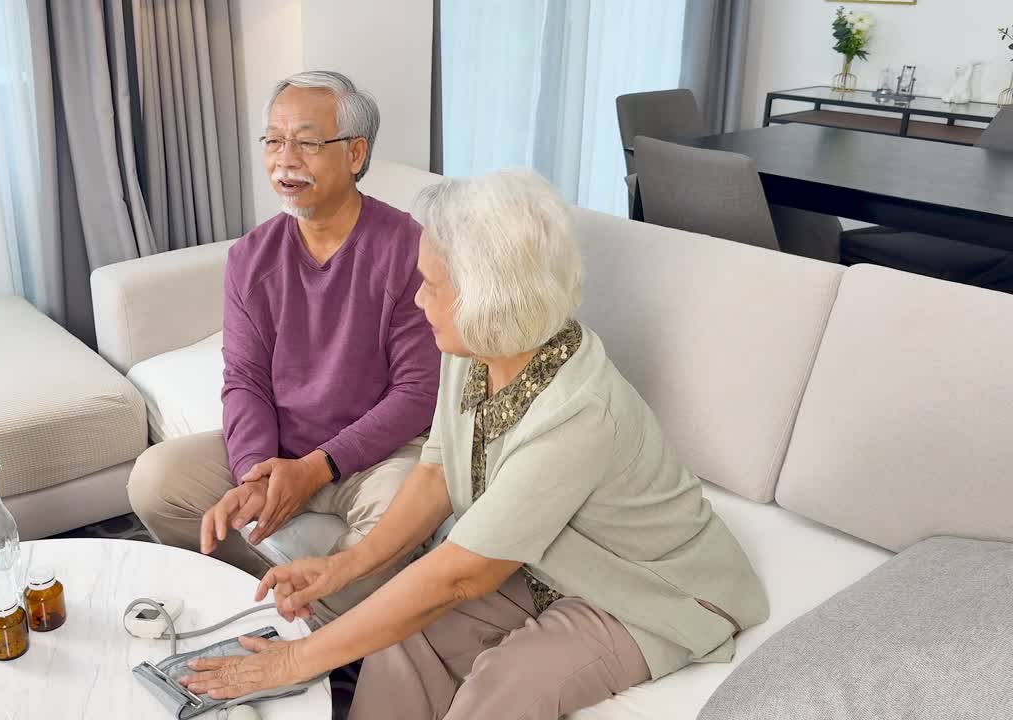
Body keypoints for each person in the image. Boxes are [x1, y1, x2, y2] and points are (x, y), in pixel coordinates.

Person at [176, 169, 769, 719]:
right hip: (541, 562)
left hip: (644, 594)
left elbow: (460, 576)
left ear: (488, 296)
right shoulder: (475, 352)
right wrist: (344, 566)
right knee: (402, 642)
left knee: (502, 688)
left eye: (431, 285)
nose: (417, 299)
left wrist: (291, 662)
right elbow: (437, 470)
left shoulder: (578, 415)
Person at [126, 71, 440, 621]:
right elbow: (244, 378)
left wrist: (316, 469)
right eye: (273, 140)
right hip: (282, 449)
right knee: (156, 481)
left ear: (355, 153)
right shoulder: (252, 256)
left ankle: (324, 634)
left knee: (397, 521)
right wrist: (255, 472)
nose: (284, 159)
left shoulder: (408, 247)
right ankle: (278, 607)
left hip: (378, 455)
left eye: (307, 141)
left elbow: (418, 392)